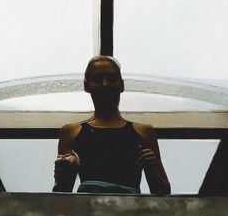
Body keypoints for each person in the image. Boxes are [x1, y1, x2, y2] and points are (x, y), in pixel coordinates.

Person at [53, 55, 171, 195]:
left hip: (117, 212)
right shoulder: (70, 132)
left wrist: (152, 168)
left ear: (121, 85)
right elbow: (61, 193)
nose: (105, 84)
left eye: (111, 78)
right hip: (96, 211)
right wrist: (68, 171)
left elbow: (163, 192)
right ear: (87, 86)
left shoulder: (144, 132)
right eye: (98, 79)